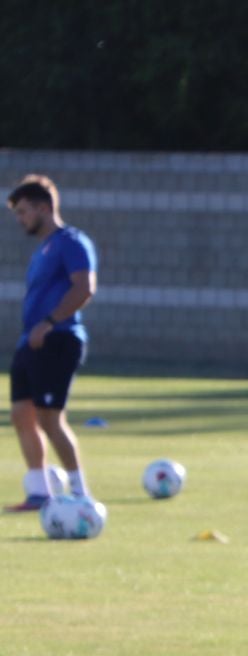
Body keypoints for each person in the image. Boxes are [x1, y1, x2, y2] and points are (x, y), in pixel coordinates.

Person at [8, 175, 96, 514]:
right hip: (31, 342)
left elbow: (84, 287)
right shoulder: (42, 251)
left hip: (58, 339)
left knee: (50, 419)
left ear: (44, 208)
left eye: (24, 212)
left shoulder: (71, 242)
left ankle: (81, 494)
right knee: (21, 415)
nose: (20, 219)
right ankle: (39, 493)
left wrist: (50, 322)